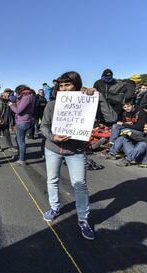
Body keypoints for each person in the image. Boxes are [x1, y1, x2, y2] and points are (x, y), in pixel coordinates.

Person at [41, 71, 117, 240]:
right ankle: (55, 207)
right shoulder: (52, 104)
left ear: (77, 85)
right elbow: (44, 127)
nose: (64, 89)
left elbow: (111, 118)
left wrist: (98, 96)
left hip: (76, 151)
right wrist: (53, 137)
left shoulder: (87, 102)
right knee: (52, 179)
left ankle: (83, 219)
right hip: (52, 148)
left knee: (79, 184)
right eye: (61, 85)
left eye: (67, 84)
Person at [9, 85, 35, 166]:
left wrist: (11, 105)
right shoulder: (30, 95)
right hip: (26, 120)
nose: (17, 95)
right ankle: (21, 155)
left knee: (21, 141)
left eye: (17, 93)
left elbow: (18, 110)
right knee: (19, 139)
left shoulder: (26, 97)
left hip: (23, 121)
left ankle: (21, 160)